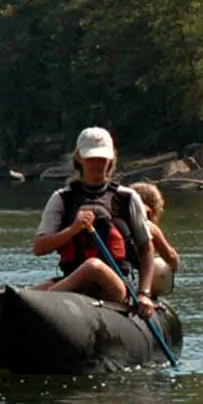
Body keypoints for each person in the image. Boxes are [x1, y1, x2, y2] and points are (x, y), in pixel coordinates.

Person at [33, 127, 158, 317]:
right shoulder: (62, 198)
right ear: (79, 158)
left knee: (94, 266)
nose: (97, 163)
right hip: (72, 282)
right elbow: (39, 247)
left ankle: (44, 305)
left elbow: (146, 248)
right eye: (91, 158)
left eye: (102, 158)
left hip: (114, 286)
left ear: (111, 159)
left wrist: (144, 293)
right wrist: (73, 229)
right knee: (27, 293)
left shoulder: (128, 198)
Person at [129, 181, 180, 297]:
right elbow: (172, 258)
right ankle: (149, 293)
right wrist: (174, 266)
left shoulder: (118, 219)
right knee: (159, 265)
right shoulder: (149, 226)